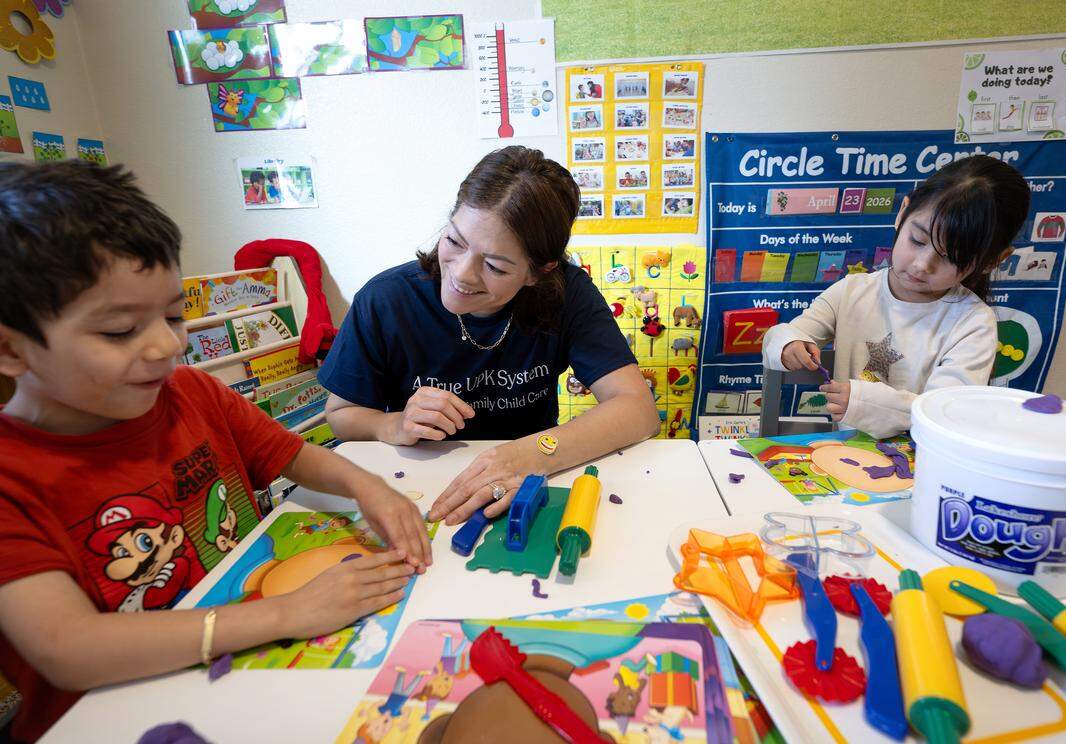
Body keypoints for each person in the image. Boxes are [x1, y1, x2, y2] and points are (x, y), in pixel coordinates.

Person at [0, 161, 431, 741]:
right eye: (120, 330)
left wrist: (368, 486)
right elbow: (68, 649)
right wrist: (286, 613)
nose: (166, 344)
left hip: (250, 674)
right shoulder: (12, 475)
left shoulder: (192, 391)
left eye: (175, 315)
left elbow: (297, 456)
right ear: (11, 350)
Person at [319, 146, 659, 526]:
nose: (462, 274)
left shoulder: (567, 294)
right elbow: (341, 415)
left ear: (538, 272)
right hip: (417, 488)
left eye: (495, 266)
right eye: (455, 241)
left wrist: (532, 456)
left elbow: (638, 409)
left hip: (525, 488)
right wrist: (393, 424)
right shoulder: (386, 299)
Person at [762, 155, 1030, 438]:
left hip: (922, 462)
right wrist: (788, 343)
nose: (921, 265)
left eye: (951, 258)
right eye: (917, 240)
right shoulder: (852, 291)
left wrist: (865, 400)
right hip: (846, 455)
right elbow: (782, 336)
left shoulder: (973, 323)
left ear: (992, 261)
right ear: (902, 213)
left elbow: (945, 413)